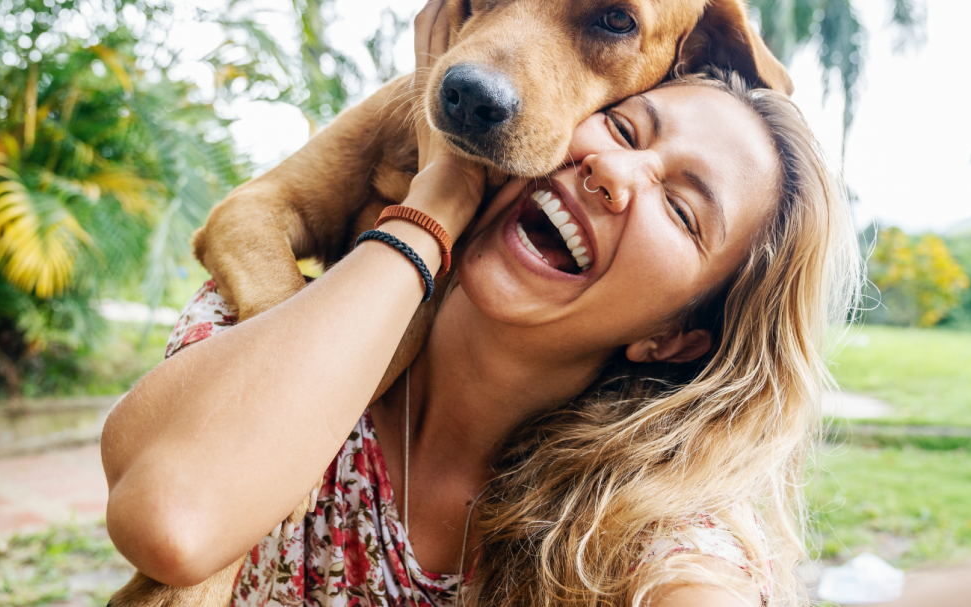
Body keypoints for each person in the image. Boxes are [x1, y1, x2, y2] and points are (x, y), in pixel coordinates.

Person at [100, 3, 859, 605]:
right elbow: (173, 514)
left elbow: (694, 576)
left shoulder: (649, 515)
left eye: (684, 211)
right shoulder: (295, 301)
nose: (616, 173)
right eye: (625, 130)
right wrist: (434, 201)